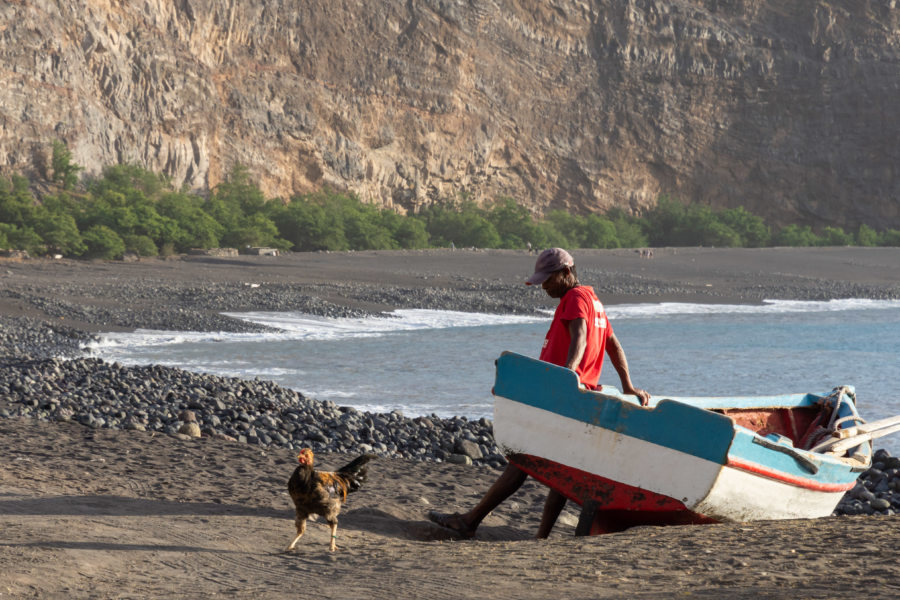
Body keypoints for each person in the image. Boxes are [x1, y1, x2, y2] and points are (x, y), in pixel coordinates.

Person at [428, 248, 650, 539]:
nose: (544, 286)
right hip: (578, 398)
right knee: (560, 469)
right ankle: (540, 535)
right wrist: (627, 386)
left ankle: (470, 522)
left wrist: (567, 375)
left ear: (567, 274)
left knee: (522, 460)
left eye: (548, 279)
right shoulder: (595, 302)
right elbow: (613, 345)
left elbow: (580, 337)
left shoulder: (575, 298)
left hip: (563, 398)